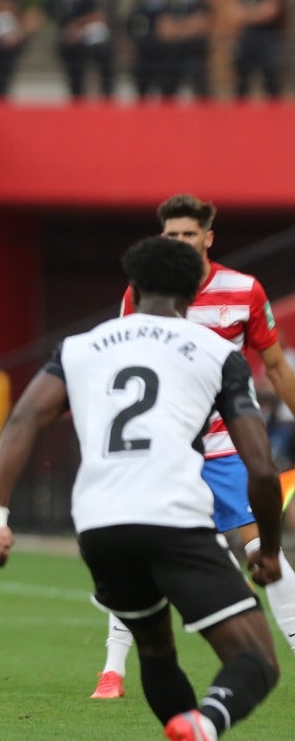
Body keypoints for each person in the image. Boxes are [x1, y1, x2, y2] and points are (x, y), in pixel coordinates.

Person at [0, 236, 283, 741]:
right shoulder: (216, 353)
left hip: (99, 526)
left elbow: (23, 419)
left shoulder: (81, 346)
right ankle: (206, 729)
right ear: (192, 296)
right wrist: (267, 548)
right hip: (173, 519)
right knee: (256, 661)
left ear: (133, 290)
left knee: (155, 649)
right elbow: (261, 469)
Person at [93, 194, 295, 699]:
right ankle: (112, 670)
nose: (180, 242)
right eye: (171, 236)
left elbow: (274, 366)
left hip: (226, 448)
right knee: (136, 558)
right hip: (164, 450)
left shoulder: (244, 290)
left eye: (188, 234)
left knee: (261, 549)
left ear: (208, 237)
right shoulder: (140, 292)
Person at [44, 0, 113, 101]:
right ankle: (77, 97)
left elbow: (99, 15)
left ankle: (104, 96)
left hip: (91, 42)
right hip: (71, 45)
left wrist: (79, 25)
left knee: (101, 69)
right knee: (75, 75)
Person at [230, 0, 287, 100]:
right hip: (246, 42)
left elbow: (269, 12)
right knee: (241, 83)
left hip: (269, 42)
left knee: (271, 83)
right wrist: (254, 13)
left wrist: (246, 13)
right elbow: (233, 13)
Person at [163, 0, 213, 100]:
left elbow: (200, 27)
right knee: (168, 88)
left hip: (196, 54)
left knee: (200, 87)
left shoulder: (202, 3)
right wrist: (188, 26)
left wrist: (178, 27)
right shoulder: (173, 4)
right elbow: (165, 30)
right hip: (174, 54)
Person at [127, 0, 172, 101]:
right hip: (143, 54)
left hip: (163, 55)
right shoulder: (138, 8)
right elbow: (130, 28)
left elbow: (171, 30)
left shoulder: (168, 8)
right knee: (142, 89)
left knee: (165, 89)